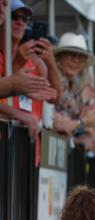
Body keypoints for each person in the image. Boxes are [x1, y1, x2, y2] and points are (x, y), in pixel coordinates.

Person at [0, 0, 61, 140]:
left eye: (25, 19)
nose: (20, 22)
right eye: (14, 16)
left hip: (25, 149)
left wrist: (51, 61)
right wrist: (15, 86)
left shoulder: (34, 63)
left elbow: (55, 97)